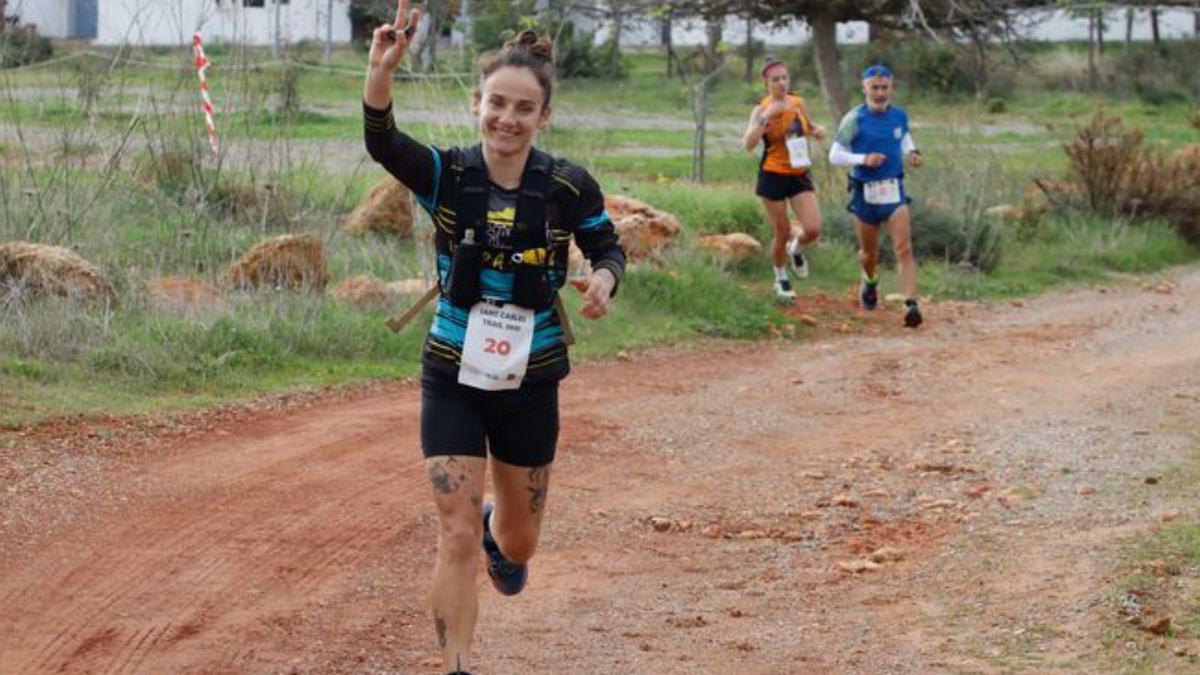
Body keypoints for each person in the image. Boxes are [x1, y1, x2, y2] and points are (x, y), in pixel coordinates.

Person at [363, 3, 625, 673]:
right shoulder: (447, 174)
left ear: (543, 117)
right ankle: (456, 665)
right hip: (451, 368)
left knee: (520, 540)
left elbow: (605, 242)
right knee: (451, 533)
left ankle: (497, 534)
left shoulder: (568, 184)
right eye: (496, 103)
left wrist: (602, 278)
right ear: (478, 104)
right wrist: (381, 72)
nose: (507, 118)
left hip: (531, 377)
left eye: (523, 107)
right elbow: (384, 141)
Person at [828, 64, 924, 328]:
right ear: (864, 88)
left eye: (885, 87)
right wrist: (863, 159)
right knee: (869, 255)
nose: (880, 93)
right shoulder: (854, 119)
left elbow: (903, 138)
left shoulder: (899, 116)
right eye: (875, 88)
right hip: (865, 194)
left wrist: (913, 153)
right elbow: (834, 155)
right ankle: (869, 282)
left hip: (894, 191)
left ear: (891, 88)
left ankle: (910, 304)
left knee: (903, 249)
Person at [742, 56, 826, 304]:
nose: (781, 83)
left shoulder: (798, 103)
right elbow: (748, 143)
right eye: (775, 80)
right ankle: (780, 277)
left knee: (812, 228)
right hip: (773, 174)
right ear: (766, 83)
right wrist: (767, 116)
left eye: (784, 78)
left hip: (799, 172)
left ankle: (796, 249)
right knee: (782, 230)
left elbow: (807, 127)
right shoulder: (761, 109)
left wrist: (816, 130)